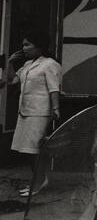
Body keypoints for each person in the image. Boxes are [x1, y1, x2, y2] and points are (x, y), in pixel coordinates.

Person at [0, 30, 61, 197]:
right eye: (23, 45)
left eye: (27, 44)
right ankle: (40, 180)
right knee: (29, 150)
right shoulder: (27, 65)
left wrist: (56, 109)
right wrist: (10, 63)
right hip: (26, 111)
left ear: (39, 46)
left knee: (34, 149)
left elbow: (54, 88)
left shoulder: (49, 64)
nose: (24, 48)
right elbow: (13, 81)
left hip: (40, 112)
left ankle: (38, 183)